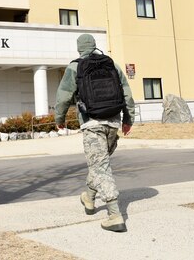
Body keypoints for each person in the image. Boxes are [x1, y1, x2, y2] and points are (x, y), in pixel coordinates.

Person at [55, 33, 136, 232]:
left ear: (79, 48)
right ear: (94, 46)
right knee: (99, 163)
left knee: (100, 168)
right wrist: (128, 119)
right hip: (113, 123)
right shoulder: (112, 65)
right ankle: (89, 199)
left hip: (92, 124)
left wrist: (59, 119)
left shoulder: (75, 67)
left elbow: (63, 96)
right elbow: (127, 93)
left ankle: (114, 215)